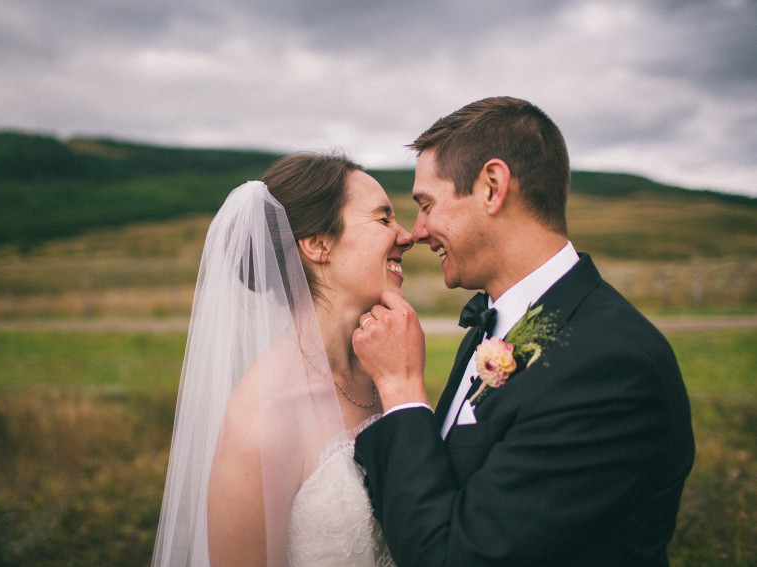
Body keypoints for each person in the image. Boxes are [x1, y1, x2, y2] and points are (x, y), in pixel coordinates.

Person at [352, 96, 695, 566]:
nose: (418, 231)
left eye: (427, 205)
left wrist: (402, 390)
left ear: (493, 187)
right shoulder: (495, 326)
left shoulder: (611, 365)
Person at [152, 152, 412, 566]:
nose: (407, 235)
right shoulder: (262, 419)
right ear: (317, 244)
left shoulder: (390, 371)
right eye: (384, 219)